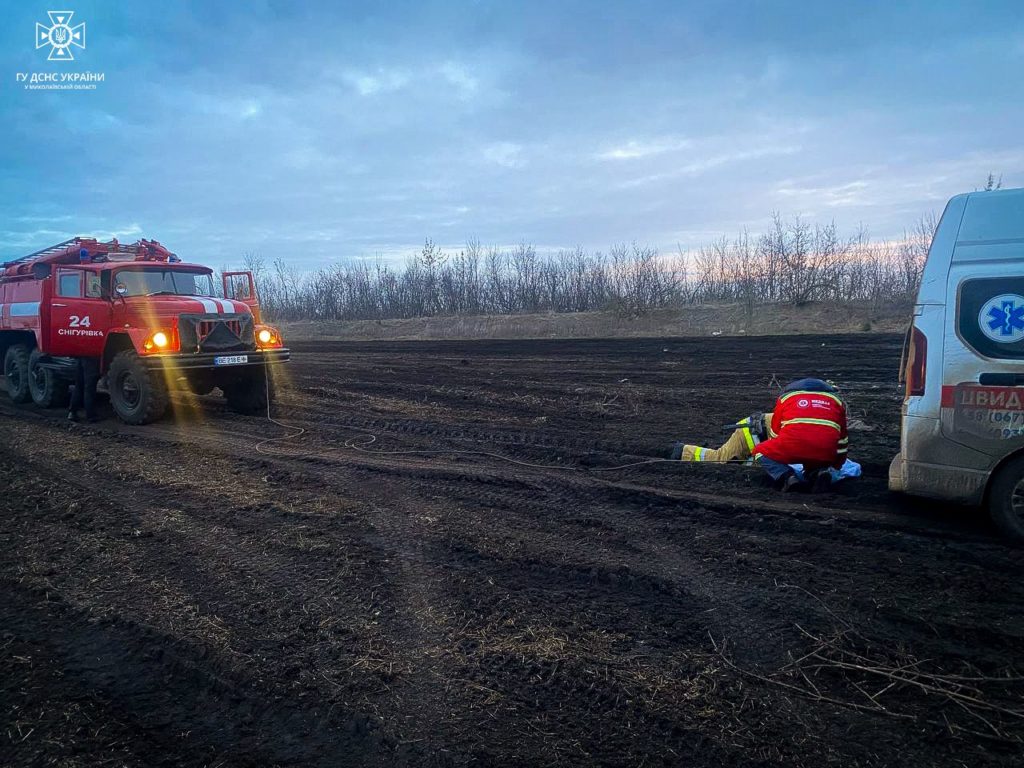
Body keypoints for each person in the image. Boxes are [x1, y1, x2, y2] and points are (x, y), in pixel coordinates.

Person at [670, 378, 849, 490]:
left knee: (771, 458)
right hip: (750, 431)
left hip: (770, 434)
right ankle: (683, 451)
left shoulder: (789, 401)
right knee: (721, 459)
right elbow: (840, 443)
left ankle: (795, 477)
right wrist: (833, 464)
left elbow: (779, 435)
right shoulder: (834, 405)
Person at [67, 357, 101, 422]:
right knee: (89, 387)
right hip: (91, 356)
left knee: (79, 386)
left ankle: (72, 412)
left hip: (82, 356)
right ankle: (91, 415)